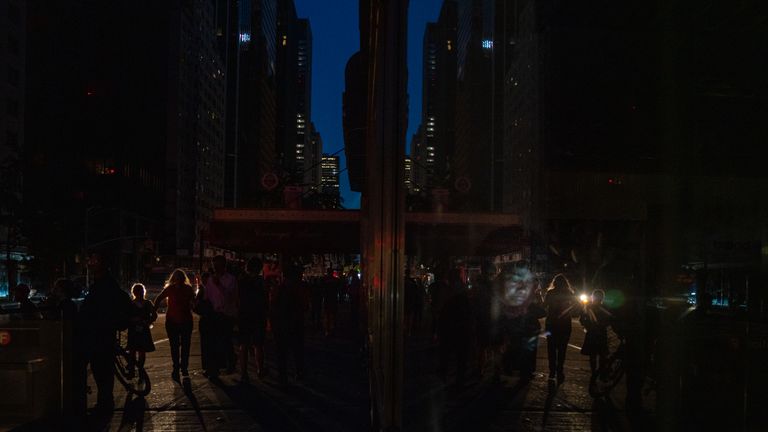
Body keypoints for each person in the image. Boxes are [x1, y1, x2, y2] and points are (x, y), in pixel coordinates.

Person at [79, 252, 132, 414]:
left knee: (102, 370)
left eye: (94, 261)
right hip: (101, 333)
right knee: (102, 370)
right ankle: (104, 401)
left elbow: (92, 309)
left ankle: (105, 403)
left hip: (100, 334)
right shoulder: (104, 284)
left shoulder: (105, 286)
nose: (91, 264)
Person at [155, 269, 196, 380]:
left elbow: (158, 299)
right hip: (180, 321)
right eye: (177, 278)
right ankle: (181, 368)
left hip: (178, 321)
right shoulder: (186, 289)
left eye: (179, 278)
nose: (178, 280)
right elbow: (194, 302)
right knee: (181, 346)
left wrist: (153, 311)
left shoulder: (173, 289)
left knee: (178, 346)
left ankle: (179, 368)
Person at [273, 263, 308, 384]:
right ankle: (299, 372)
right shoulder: (299, 288)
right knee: (297, 350)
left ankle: (283, 377)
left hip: (282, 324)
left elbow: (274, 306)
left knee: (282, 352)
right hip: (296, 323)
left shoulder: (280, 288)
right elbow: (305, 306)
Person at [205, 255, 238, 375]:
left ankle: (230, 361)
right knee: (215, 341)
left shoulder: (230, 279)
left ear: (223, 266)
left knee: (226, 340)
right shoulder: (210, 280)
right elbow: (207, 296)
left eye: (217, 265)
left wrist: (219, 285)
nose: (215, 268)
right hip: (215, 314)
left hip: (227, 314)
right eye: (214, 266)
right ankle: (217, 366)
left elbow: (230, 296)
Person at [237, 257, 269, 383]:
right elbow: (265, 298)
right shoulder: (261, 282)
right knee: (258, 344)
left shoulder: (241, 281)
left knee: (243, 344)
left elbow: (237, 298)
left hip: (244, 314)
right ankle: (260, 370)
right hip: (258, 314)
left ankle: (244, 372)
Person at [544, 274, 576, 385]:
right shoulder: (569, 293)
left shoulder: (550, 293)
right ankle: (560, 371)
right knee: (562, 349)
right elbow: (576, 307)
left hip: (551, 323)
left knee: (551, 348)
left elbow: (544, 305)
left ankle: (552, 371)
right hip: (565, 323)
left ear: (555, 282)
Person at [579, 289, 611, 382]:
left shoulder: (588, 306)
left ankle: (594, 372)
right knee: (602, 354)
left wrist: (587, 326)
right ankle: (601, 373)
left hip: (592, 332)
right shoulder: (605, 307)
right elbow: (609, 319)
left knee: (593, 355)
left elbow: (582, 318)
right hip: (601, 332)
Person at [126, 283, 157, 377]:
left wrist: (146, 321)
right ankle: (136, 370)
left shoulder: (135, 304)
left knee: (137, 351)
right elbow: (154, 315)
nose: (140, 293)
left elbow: (154, 315)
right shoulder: (142, 303)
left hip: (139, 329)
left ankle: (136, 370)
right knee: (136, 351)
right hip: (137, 329)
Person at [194, 272, 216, 375]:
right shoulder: (209, 289)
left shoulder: (203, 290)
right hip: (212, 318)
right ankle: (212, 367)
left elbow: (195, 305)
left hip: (207, 319)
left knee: (206, 344)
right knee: (211, 343)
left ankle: (208, 367)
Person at [322, 268, 340, 337]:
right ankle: (332, 328)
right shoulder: (336, 280)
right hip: (333, 299)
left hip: (327, 299)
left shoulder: (324, 280)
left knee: (327, 315)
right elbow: (338, 289)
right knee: (333, 314)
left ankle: (328, 329)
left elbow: (323, 290)